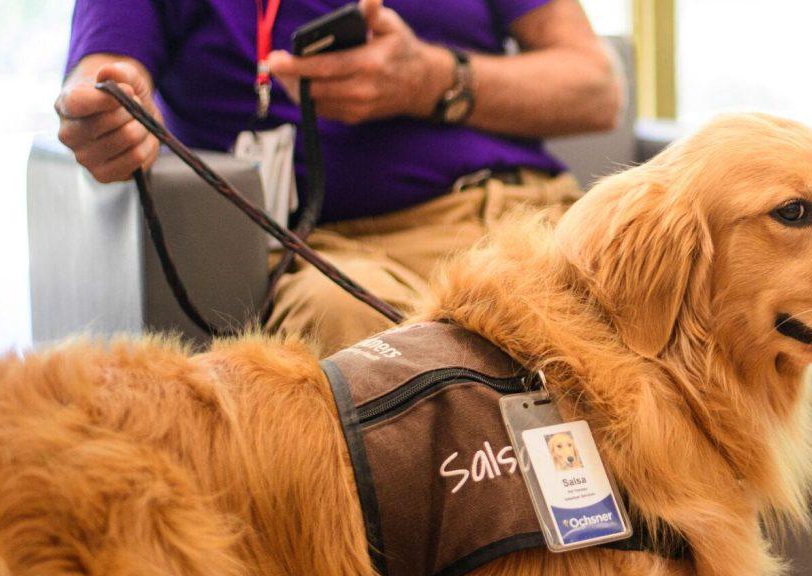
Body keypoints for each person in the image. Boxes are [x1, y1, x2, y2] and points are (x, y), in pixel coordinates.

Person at [56, 0, 620, 353]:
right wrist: (109, 111)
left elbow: (596, 89)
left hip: (534, 213)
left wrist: (431, 80)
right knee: (359, 337)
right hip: (342, 250)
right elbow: (103, 73)